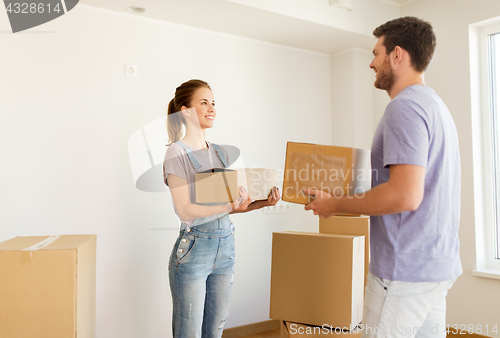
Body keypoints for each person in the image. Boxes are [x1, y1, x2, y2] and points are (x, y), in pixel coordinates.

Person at [304, 17, 462, 338]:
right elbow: (419, 188)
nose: (371, 63)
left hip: (402, 273)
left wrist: (334, 204)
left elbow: (405, 195)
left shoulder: (404, 109)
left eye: (376, 53)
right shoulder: (435, 106)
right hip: (435, 268)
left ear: (397, 55)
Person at [163, 79, 280, 338]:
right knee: (189, 334)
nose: (211, 108)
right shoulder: (176, 152)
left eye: (213, 103)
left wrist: (262, 202)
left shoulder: (220, 153)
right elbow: (184, 210)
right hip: (194, 251)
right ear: (185, 110)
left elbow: (228, 208)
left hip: (225, 248)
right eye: (203, 102)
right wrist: (228, 205)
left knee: (214, 333)